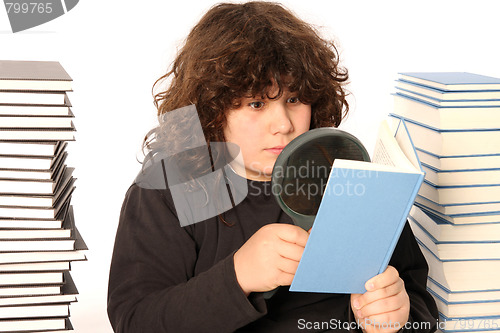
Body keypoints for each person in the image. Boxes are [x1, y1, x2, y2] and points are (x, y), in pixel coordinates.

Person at [107, 2, 438, 332]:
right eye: (256, 103)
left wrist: (400, 316)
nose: (283, 124)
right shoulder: (168, 192)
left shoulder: (352, 179)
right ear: (212, 109)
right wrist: (238, 275)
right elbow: (135, 321)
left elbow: (420, 302)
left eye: (293, 100)